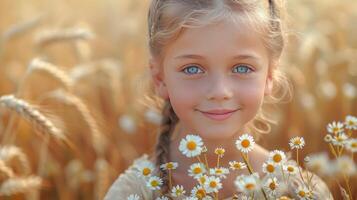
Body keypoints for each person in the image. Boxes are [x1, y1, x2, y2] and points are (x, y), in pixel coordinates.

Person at [105, 0, 333, 199]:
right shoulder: (135, 193)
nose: (219, 91)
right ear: (160, 78)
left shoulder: (298, 191)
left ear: (269, 76)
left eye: (242, 67)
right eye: (193, 69)